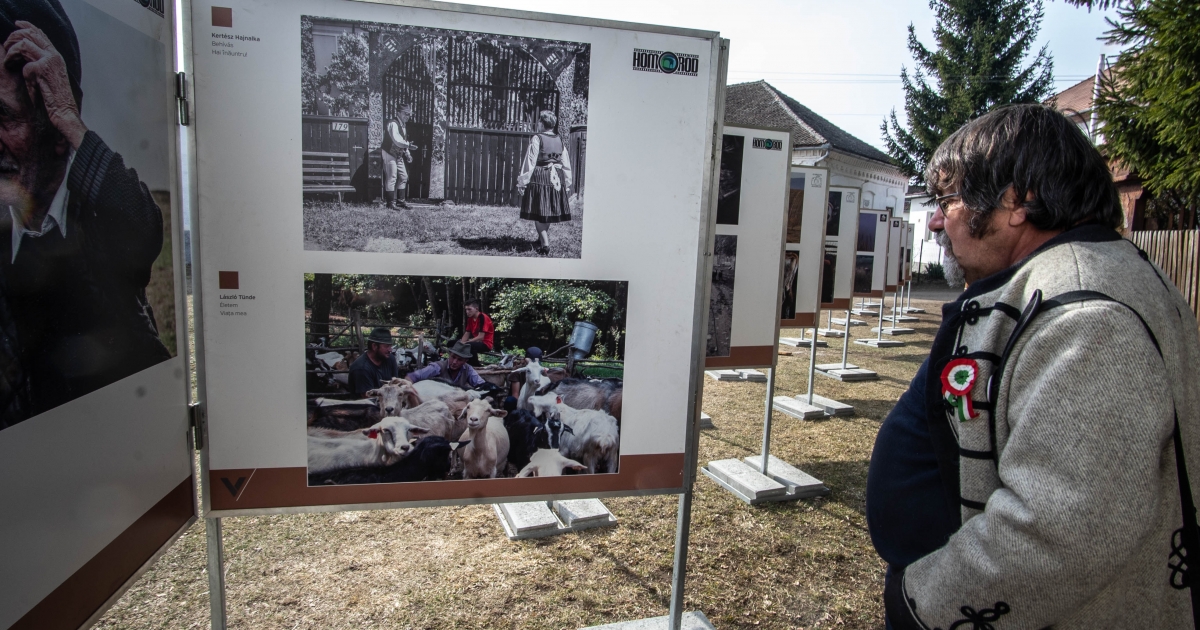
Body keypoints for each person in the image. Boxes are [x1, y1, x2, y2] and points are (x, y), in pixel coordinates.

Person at [866, 104, 1200, 629]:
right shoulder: (1063, 282)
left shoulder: (1091, 319)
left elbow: (1060, 531)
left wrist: (924, 605)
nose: (934, 218)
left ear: (1016, 200)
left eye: (948, 199)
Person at [0, 2, 172, 430]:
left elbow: (144, 227)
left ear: (57, 129)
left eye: (5, 118)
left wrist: (71, 122)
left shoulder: (99, 215)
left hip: (122, 442)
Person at [516, 110, 572, 256]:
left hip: (542, 177)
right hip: (556, 178)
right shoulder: (560, 139)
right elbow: (566, 163)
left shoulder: (537, 138)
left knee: (540, 212)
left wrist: (522, 181)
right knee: (546, 211)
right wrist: (567, 182)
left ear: (541, 123)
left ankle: (545, 245)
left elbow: (530, 161)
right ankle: (541, 239)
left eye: (539, 121)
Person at [405, 341, 486, 389]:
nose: (454, 362)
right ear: (449, 354)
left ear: (465, 361)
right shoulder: (437, 367)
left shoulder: (468, 370)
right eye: (453, 357)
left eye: (459, 360)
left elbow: (482, 385)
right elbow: (412, 377)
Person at [347, 328, 399, 395]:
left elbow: (395, 385)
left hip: (389, 401)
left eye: (390, 346)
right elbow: (368, 399)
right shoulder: (361, 368)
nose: (390, 350)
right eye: (386, 346)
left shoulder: (390, 359)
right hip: (367, 404)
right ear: (374, 346)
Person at [381, 103, 413, 210]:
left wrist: (407, 154)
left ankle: (400, 202)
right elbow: (397, 140)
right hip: (389, 153)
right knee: (392, 177)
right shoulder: (393, 124)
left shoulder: (403, 126)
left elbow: (403, 141)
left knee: (404, 177)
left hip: (398, 154)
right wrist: (408, 145)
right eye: (405, 114)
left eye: (409, 114)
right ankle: (390, 203)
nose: (407, 116)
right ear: (398, 113)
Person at [458, 298, 494, 365]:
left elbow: (481, 337)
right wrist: (461, 343)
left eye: (469, 309)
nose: (467, 312)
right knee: (452, 343)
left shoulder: (483, 317)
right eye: (466, 309)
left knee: (468, 345)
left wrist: (465, 342)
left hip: (486, 344)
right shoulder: (470, 319)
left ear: (476, 309)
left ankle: (476, 365)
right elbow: (467, 333)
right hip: (476, 342)